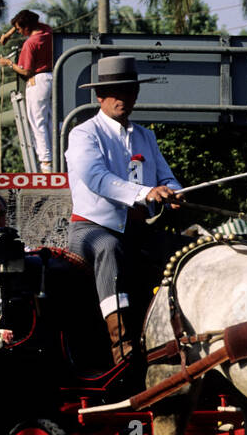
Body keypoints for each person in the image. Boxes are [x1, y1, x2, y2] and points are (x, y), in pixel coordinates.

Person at [66, 54, 181, 365]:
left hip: (139, 230)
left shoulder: (146, 136)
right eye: (115, 92)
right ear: (100, 96)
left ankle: (179, 337)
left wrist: (176, 193)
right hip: (90, 230)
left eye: (129, 91)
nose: (123, 98)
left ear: (136, 94)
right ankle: (122, 347)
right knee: (109, 248)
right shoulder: (83, 135)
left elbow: (166, 176)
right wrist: (147, 192)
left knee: (183, 251)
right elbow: (97, 179)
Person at [0, 10, 55, 173]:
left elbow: (26, 71)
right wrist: (9, 33)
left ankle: (46, 163)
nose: (19, 32)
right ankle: (54, 158)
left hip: (36, 81)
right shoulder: (47, 31)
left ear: (27, 27)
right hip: (52, 78)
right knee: (51, 121)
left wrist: (9, 63)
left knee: (37, 122)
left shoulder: (30, 43)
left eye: (19, 29)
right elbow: (27, 22)